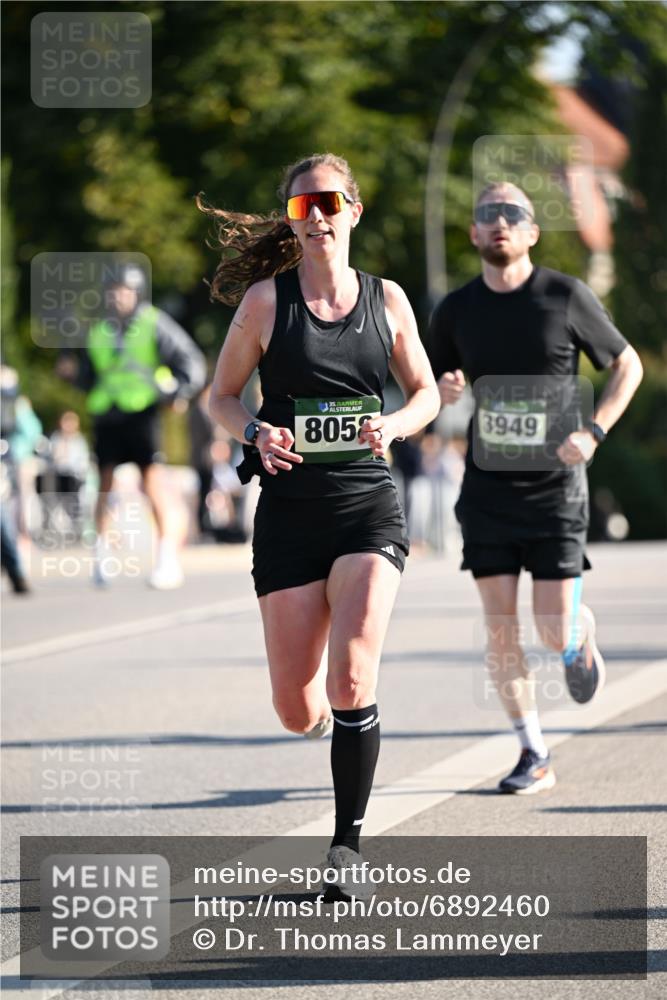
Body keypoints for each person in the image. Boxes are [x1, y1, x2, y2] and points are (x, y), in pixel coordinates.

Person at [200, 153, 439, 896]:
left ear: (353, 212)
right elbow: (221, 396)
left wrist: (395, 426)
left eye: (331, 203)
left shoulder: (387, 300)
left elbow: (426, 391)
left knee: (351, 675)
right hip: (289, 517)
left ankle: (346, 850)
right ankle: (325, 727)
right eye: (304, 208)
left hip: (367, 505)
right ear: (292, 220)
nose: (319, 217)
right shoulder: (268, 305)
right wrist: (253, 433)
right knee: (295, 706)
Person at [426, 181, 643, 794]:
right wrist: (438, 394)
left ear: (531, 232)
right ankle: (533, 752)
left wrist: (595, 431)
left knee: (552, 629)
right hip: (488, 492)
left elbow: (628, 363)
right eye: (487, 213)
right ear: (473, 231)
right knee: (500, 627)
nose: (499, 222)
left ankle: (577, 635)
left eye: (512, 214)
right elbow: (430, 382)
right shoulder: (456, 309)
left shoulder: (565, 296)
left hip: (555, 490)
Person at [57, 264, 206, 589]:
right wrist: (70, 373)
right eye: (113, 291)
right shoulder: (98, 329)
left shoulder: (154, 324)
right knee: (104, 485)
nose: (118, 296)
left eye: (124, 290)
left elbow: (190, 361)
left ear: (136, 293)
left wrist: (179, 391)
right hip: (107, 413)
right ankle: (101, 556)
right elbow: (88, 375)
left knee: (152, 482)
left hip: (142, 412)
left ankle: (166, 559)